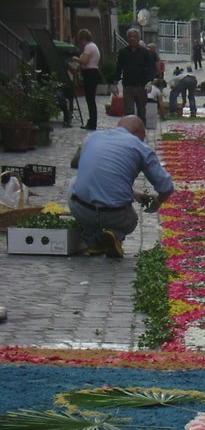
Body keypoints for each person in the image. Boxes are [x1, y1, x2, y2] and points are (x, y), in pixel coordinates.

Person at [68, 115, 174, 260]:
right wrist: (157, 202)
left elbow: (79, 165)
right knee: (132, 219)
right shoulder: (140, 147)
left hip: (81, 209)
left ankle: (92, 241)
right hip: (115, 215)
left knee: (75, 182)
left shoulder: (92, 137)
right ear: (137, 132)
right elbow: (166, 187)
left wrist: (134, 193)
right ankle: (115, 234)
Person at [114, 29, 155, 124]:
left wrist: (150, 81)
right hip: (128, 85)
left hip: (141, 85)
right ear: (127, 39)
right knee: (129, 111)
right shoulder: (123, 52)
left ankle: (141, 130)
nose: (132, 39)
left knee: (141, 110)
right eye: (130, 37)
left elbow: (150, 67)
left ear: (138, 38)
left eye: (134, 36)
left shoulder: (145, 53)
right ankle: (130, 131)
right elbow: (118, 68)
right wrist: (115, 83)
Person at [76, 29, 101, 131]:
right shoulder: (93, 46)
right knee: (90, 99)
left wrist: (75, 59)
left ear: (83, 39)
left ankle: (92, 122)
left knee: (90, 99)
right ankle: (91, 121)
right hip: (92, 73)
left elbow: (84, 60)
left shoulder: (89, 47)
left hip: (90, 73)